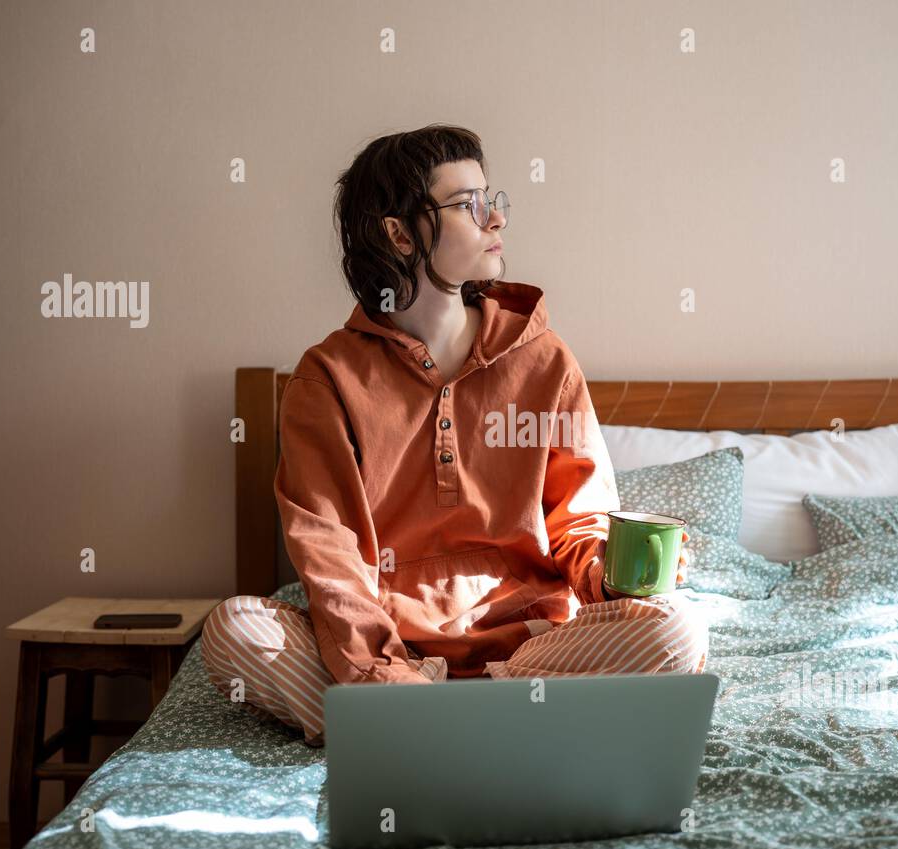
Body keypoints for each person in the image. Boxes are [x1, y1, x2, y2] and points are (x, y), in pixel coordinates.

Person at [202, 124, 708, 745]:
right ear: (398, 232)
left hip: (532, 654)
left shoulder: (545, 361)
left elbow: (580, 523)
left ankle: (424, 735)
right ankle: (464, 727)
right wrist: (386, 679)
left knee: (676, 629)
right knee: (234, 629)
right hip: (390, 657)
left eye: (493, 199)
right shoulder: (326, 380)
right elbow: (331, 563)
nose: (496, 219)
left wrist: (613, 574)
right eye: (469, 204)